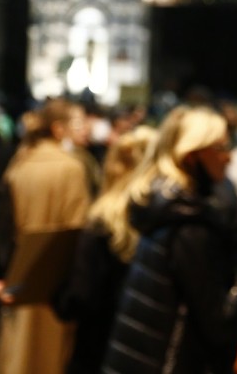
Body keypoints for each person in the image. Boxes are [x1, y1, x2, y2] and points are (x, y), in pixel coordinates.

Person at [101, 106, 237, 374]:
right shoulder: (189, 225)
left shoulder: (166, 207)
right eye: (220, 148)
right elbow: (218, 324)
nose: (229, 157)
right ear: (192, 156)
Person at [0, 98, 92, 374]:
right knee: (48, 355)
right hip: (54, 278)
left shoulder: (20, 163)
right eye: (78, 123)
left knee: (19, 351)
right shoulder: (71, 168)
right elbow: (76, 230)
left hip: (18, 272)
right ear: (58, 129)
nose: (85, 129)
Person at [52, 125, 158, 374]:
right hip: (150, 349)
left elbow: (80, 297)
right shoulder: (165, 216)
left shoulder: (102, 222)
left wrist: (55, 293)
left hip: (99, 349)